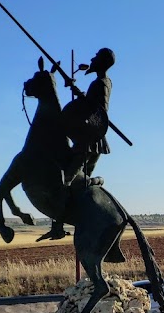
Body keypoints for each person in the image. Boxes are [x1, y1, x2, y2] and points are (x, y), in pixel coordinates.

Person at [43, 47, 115, 240]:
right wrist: (80, 95)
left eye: (96, 57)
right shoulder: (104, 82)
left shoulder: (101, 83)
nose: (92, 59)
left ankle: (58, 225)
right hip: (94, 139)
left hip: (88, 140)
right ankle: (91, 190)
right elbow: (92, 106)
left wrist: (81, 97)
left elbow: (97, 110)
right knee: (82, 182)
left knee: (67, 179)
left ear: (102, 62)